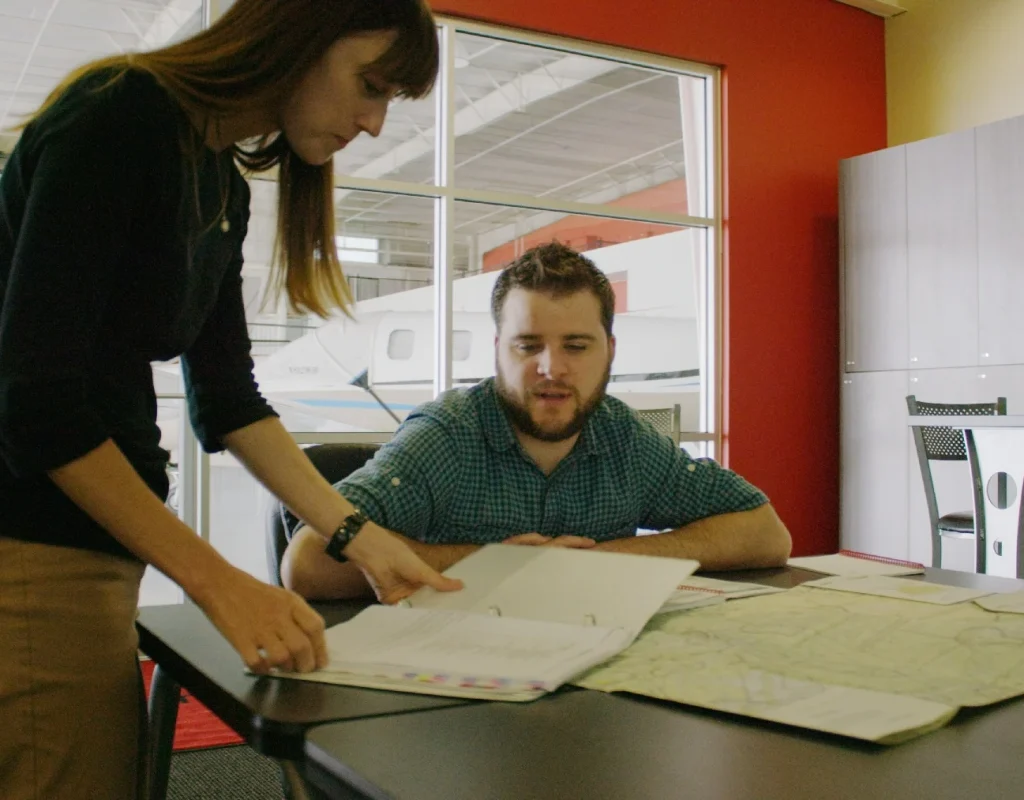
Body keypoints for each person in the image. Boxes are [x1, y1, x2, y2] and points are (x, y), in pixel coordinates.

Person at [0, 2, 464, 798]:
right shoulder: (121, 114)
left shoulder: (218, 180)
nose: (376, 123)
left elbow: (229, 400)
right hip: (33, 541)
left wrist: (357, 533)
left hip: (95, 547)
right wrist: (217, 582)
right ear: (300, 38)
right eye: (370, 86)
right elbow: (33, 402)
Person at [282, 241, 793, 600]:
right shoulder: (445, 437)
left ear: (609, 351)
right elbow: (307, 566)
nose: (553, 368)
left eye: (576, 345)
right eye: (528, 346)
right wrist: (494, 563)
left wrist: (604, 560)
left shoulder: (624, 437)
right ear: (497, 351)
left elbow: (766, 535)